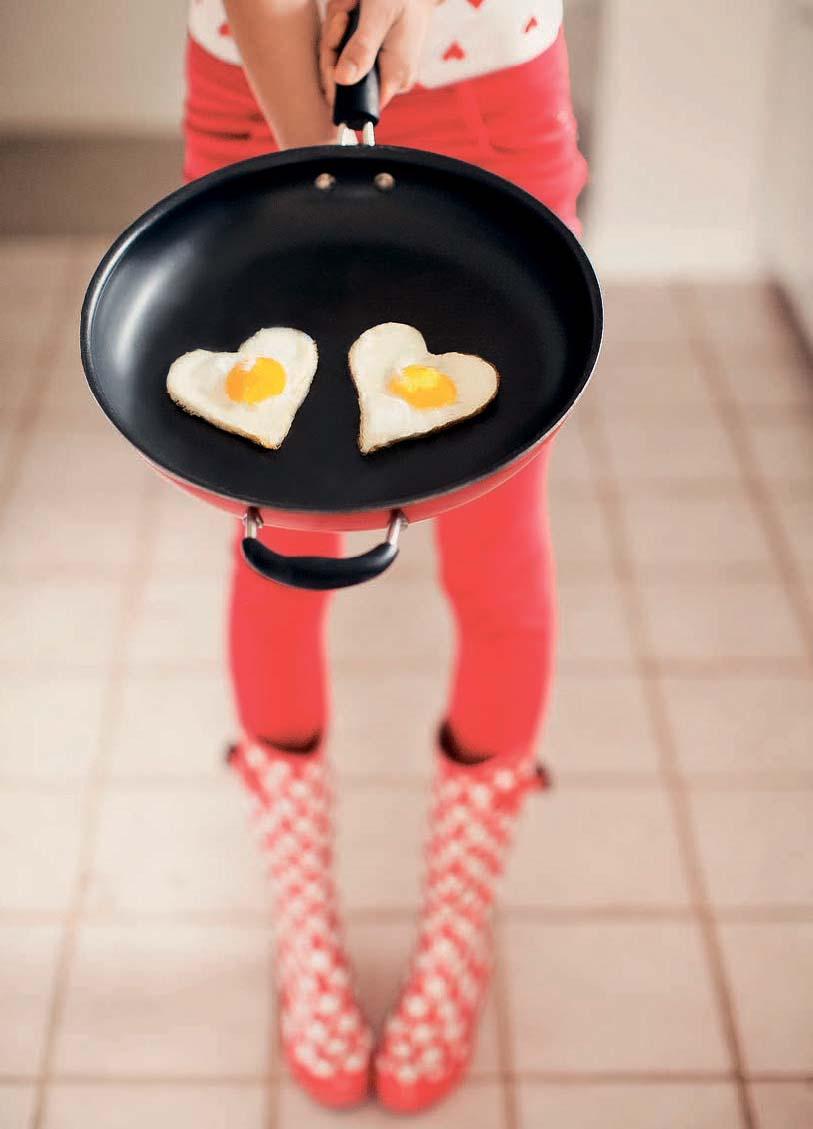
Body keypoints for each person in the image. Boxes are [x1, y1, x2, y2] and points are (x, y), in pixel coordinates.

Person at [184, 0, 588, 1113]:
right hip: (255, 92)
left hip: (492, 96)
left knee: (498, 553)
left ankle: (457, 922)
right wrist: (323, 172)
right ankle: (302, 917)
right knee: (283, 536)